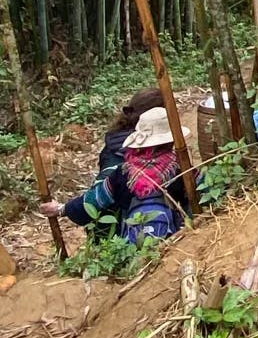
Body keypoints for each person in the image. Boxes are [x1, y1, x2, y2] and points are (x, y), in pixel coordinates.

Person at [41, 100, 189, 244]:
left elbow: (92, 202)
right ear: (171, 140)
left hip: (132, 246)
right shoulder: (179, 169)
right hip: (173, 244)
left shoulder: (123, 173)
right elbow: (203, 193)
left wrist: (62, 209)